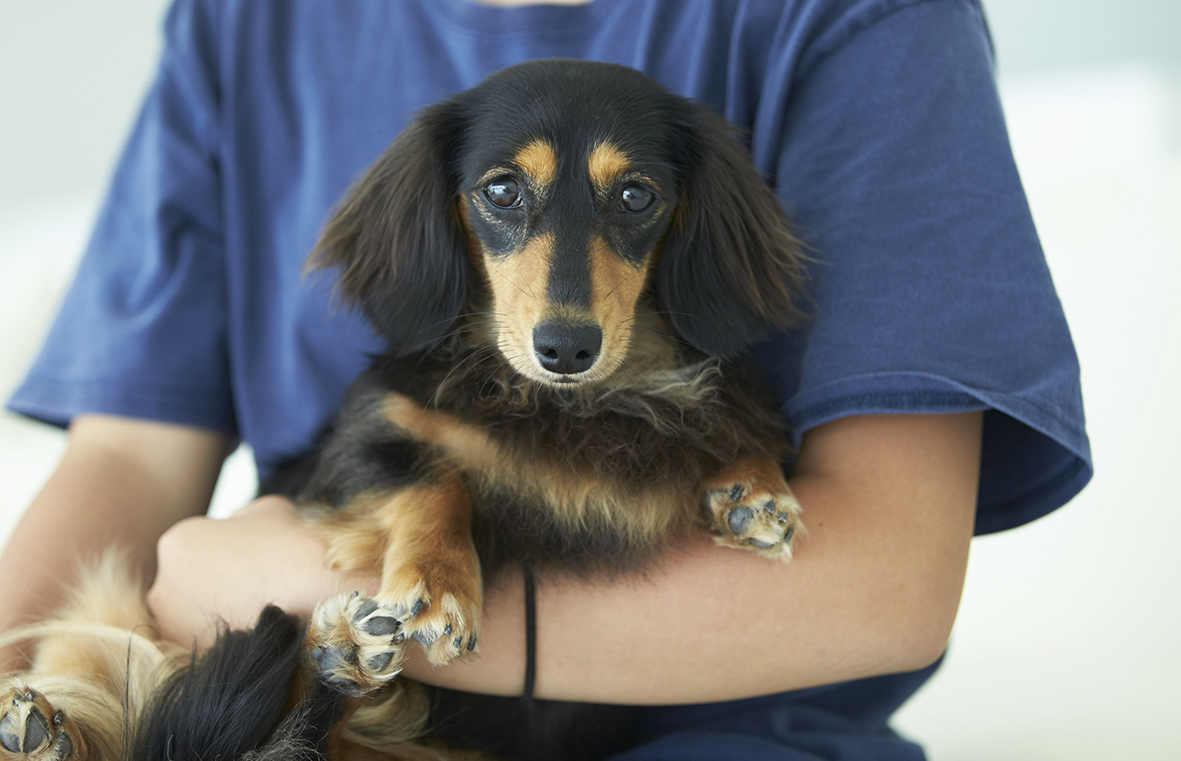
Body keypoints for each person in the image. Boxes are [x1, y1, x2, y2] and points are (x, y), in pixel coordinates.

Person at [1, 0, 1091, 758]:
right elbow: (129, 454)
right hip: (279, 697)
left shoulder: (860, 20)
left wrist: (307, 591)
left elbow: (885, 589)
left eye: (629, 205)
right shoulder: (241, 21)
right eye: (505, 202)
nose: (564, 298)